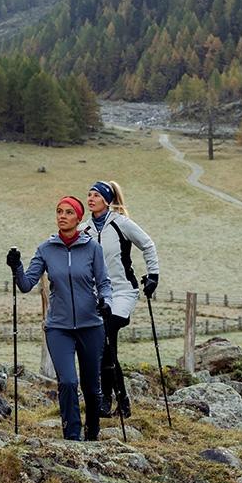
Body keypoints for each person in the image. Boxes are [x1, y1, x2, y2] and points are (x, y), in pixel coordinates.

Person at [6, 196, 112, 441]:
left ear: (77, 218)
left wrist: (105, 301)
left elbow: (104, 283)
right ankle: (72, 437)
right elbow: (25, 284)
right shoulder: (46, 249)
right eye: (58, 211)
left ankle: (92, 432)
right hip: (59, 328)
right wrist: (16, 267)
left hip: (91, 326)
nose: (62, 216)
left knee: (91, 388)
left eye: (68, 212)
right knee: (67, 382)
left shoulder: (92, 248)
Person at [82, 180, 159, 419]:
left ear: (106, 200)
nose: (90, 199)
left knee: (105, 336)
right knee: (105, 346)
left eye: (95, 195)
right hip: (98, 296)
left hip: (124, 292)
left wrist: (153, 274)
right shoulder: (85, 230)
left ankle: (108, 399)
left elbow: (147, 244)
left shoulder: (121, 224)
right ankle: (120, 400)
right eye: (89, 195)